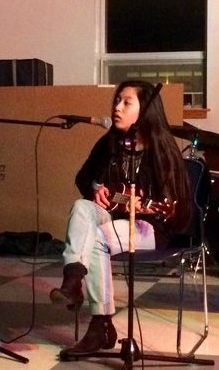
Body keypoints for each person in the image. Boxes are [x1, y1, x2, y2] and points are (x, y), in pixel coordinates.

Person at [50, 80, 191, 358]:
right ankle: (73, 281)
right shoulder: (109, 143)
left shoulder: (163, 150)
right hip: (111, 218)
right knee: (81, 207)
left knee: (97, 239)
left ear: (145, 110)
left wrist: (146, 208)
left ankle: (100, 324)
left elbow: (177, 207)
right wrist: (96, 189)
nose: (117, 107)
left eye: (127, 102)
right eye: (117, 100)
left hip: (150, 228)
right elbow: (83, 178)